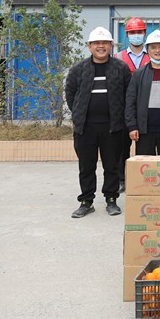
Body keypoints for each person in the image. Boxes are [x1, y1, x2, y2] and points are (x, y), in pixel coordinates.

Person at [65, 27, 131, 218]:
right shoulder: (78, 69)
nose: (100, 46)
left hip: (113, 127)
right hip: (85, 127)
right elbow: (70, 94)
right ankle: (86, 201)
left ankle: (111, 199)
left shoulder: (121, 68)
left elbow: (129, 96)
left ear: (111, 46)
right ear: (89, 46)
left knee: (112, 165)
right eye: (96, 43)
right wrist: (79, 114)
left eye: (104, 43)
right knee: (86, 166)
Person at [115, 17, 149, 193]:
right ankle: (122, 179)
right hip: (123, 110)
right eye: (133, 32)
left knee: (146, 147)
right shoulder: (118, 57)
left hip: (147, 110)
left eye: (139, 32)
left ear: (144, 33)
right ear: (127, 35)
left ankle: (146, 179)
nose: (136, 35)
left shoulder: (153, 56)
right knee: (121, 147)